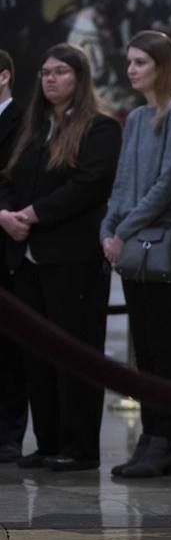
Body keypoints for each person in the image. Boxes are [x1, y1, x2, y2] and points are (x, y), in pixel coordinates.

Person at [0, 43, 120, 471]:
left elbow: (88, 184)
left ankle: (78, 446)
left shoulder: (100, 127)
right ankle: (48, 441)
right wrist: (8, 215)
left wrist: (31, 215)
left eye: (61, 72)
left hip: (72, 257)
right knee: (36, 356)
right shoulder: (32, 128)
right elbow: (9, 175)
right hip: (26, 256)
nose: (51, 79)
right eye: (46, 72)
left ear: (79, 78)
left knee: (75, 353)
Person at [100, 30, 171, 477]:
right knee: (145, 351)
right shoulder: (136, 116)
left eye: (141, 63)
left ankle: (164, 441)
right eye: (130, 62)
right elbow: (122, 184)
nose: (132, 70)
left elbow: (167, 184)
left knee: (162, 348)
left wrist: (123, 230)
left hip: (158, 244)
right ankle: (151, 438)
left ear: (161, 65)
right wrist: (108, 229)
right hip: (131, 244)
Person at [0, 49, 27, 463]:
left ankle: (9, 434)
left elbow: (16, 177)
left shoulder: (21, 118)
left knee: (10, 347)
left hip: (9, 240)